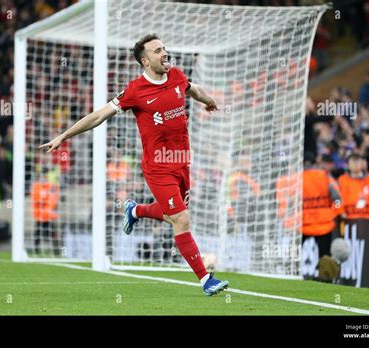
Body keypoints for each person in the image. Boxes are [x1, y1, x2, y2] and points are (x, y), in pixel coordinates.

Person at [40, 34, 228, 296]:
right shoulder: (135, 91)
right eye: (157, 51)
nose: (164, 53)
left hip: (182, 163)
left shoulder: (175, 75)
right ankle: (205, 279)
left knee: (172, 215)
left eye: (164, 48)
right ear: (145, 60)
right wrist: (63, 136)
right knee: (181, 218)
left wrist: (209, 101)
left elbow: (192, 89)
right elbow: (98, 116)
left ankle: (136, 211)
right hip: (158, 168)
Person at [302, 152, 342, 259]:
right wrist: (337, 212)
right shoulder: (325, 176)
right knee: (324, 257)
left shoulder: (295, 177)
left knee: (295, 257)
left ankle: (293, 274)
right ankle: (324, 275)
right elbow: (337, 197)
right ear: (315, 163)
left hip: (302, 224)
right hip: (324, 224)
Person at [338, 153, 369, 218]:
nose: (356, 164)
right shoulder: (342, 180)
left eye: (358, 161)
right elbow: (336, 199)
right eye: (353, 162)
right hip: (348, 217)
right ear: (348, 165)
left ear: (362, 164)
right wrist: (340, 212)